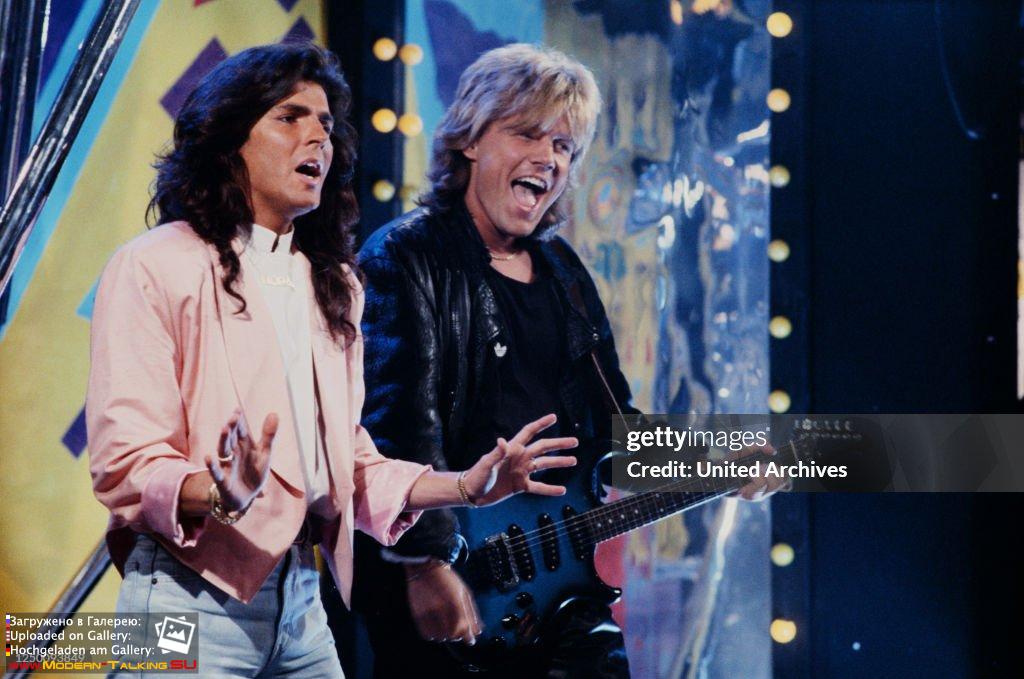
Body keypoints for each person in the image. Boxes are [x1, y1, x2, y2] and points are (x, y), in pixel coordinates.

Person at [86, 43, 579, 678]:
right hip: (185, 594)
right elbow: (123, 463)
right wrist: (218, 492)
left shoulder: (334, 282)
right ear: (228, 139)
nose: (319, 136)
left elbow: (352, 462)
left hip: (303, 597)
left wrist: (467, 487)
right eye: (290, 117)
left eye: (325, 122)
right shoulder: (156, 264)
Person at [350, 43, 782, 678]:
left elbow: (616, 428)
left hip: (562, 588)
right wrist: (425, 563)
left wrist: (715, 464)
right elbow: (398, 426)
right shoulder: (405, 256)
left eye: (564, 146)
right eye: (528, 134)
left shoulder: (563, 272)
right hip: (450, 576)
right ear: (469, 139)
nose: (548, 159)